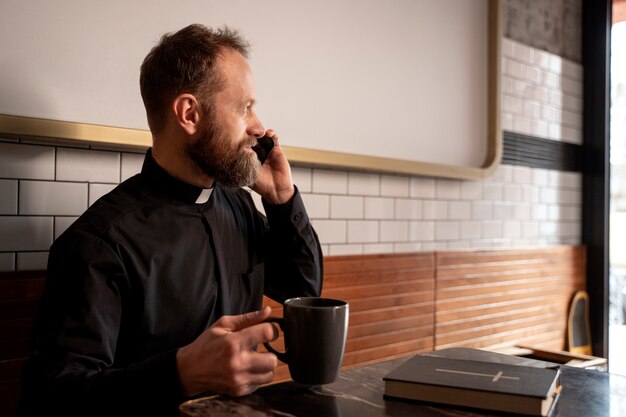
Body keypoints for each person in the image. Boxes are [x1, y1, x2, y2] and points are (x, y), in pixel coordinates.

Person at [18, 23, 323, 416]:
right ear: (189, 114)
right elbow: (51, 397)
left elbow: (304, 291)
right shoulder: (101, 243)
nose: (259, 127)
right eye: (244, 107)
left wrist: (282, 201)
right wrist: (179, 373)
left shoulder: (240, 207)